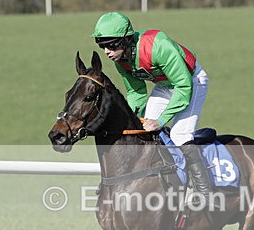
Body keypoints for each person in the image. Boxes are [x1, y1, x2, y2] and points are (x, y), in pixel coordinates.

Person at [92, 11, 215, 202]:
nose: (106, 51)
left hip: (191, 82)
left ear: (125, 40)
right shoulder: (121, 60)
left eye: (110, 45)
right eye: (102, 46)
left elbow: (183, 87)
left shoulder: (158, 46)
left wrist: (160, 120)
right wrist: (130, 118)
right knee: (143, 131)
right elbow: (136, 93)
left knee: (179, 134)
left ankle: (205, 193)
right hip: (165, 86)